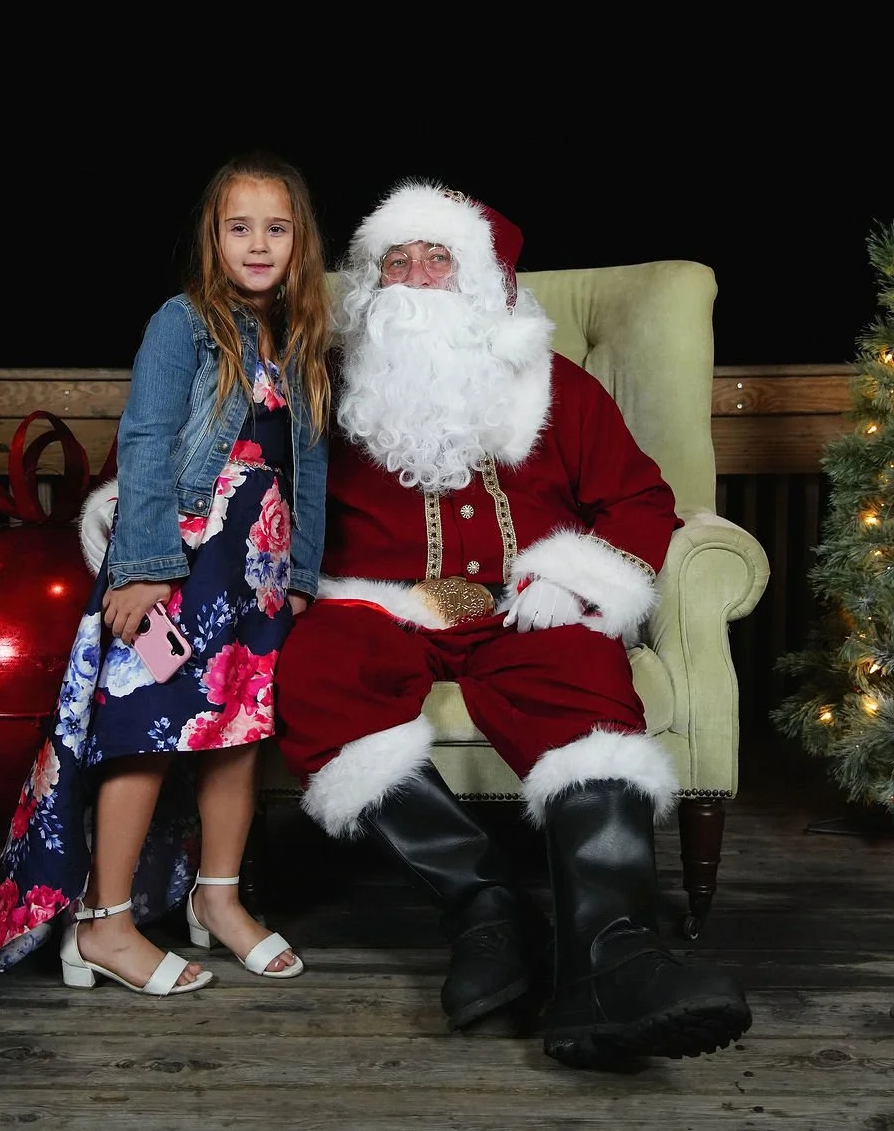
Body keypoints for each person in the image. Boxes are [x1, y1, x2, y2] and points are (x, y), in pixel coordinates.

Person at [271, 178, 753, 1067]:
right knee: (316, 672)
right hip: (381, 609)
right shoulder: (320, 385)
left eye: (437, 257)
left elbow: (641, 501)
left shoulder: (556, 388)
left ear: (481, 280)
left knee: (585, 672)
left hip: (519, 609)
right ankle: (486, 908)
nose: (415, 277)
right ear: (371, 286)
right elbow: (217, 445)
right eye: (396, 262)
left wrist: (576, 583)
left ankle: (614, 956)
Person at [0, 149, 332, 996]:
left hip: (258, 579)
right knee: (146, 734)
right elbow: (146, 439)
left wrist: (300, 573)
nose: (258, 244)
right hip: (181, 571)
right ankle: (104, 924)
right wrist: (144, 568)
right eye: (240, 227)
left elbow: (307, 464)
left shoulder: (304, 338)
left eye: (276, 229)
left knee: (239, 738)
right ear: (213, 237)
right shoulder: (185, 321)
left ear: (300, 243)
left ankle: (220, 899)